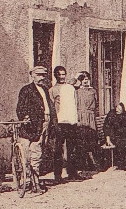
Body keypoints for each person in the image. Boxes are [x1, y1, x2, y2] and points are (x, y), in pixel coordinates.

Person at [15, 66, 53, 194]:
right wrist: (25, 117)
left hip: (43, 124)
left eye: (43, 75)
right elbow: (20, 107)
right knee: (27, 155)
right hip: (30, 127)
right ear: (32, 75)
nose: (41, 77)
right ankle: (31, 182)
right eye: (38, 75)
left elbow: (48, 106)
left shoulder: (45, 90)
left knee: (37, 153)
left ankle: (35, 182)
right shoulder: (26, 90)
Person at [50, 66, 80, 182]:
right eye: (59, 74)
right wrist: (54, 123)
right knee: (58, 149)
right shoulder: (53, 90)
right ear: (55, 75)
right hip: (60, 121)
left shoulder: (70, 88)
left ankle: (72, 173)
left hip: (71, 121)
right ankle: (57, 175)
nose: (62, 77)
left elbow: (76, 83)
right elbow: (52, 108)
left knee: (72, 148)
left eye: (63, 74)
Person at [73, 71, 100, 173]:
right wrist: (76, 76)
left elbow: (96, 104)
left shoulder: (93, 91)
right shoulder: (77, 91)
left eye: (87, 79)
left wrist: (91, 115)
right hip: (81, 117)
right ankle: (82, 165)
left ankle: (92, 164)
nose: (85, 81)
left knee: (92, 140)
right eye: (83, 79)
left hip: (91, 117)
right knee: (81, 141)